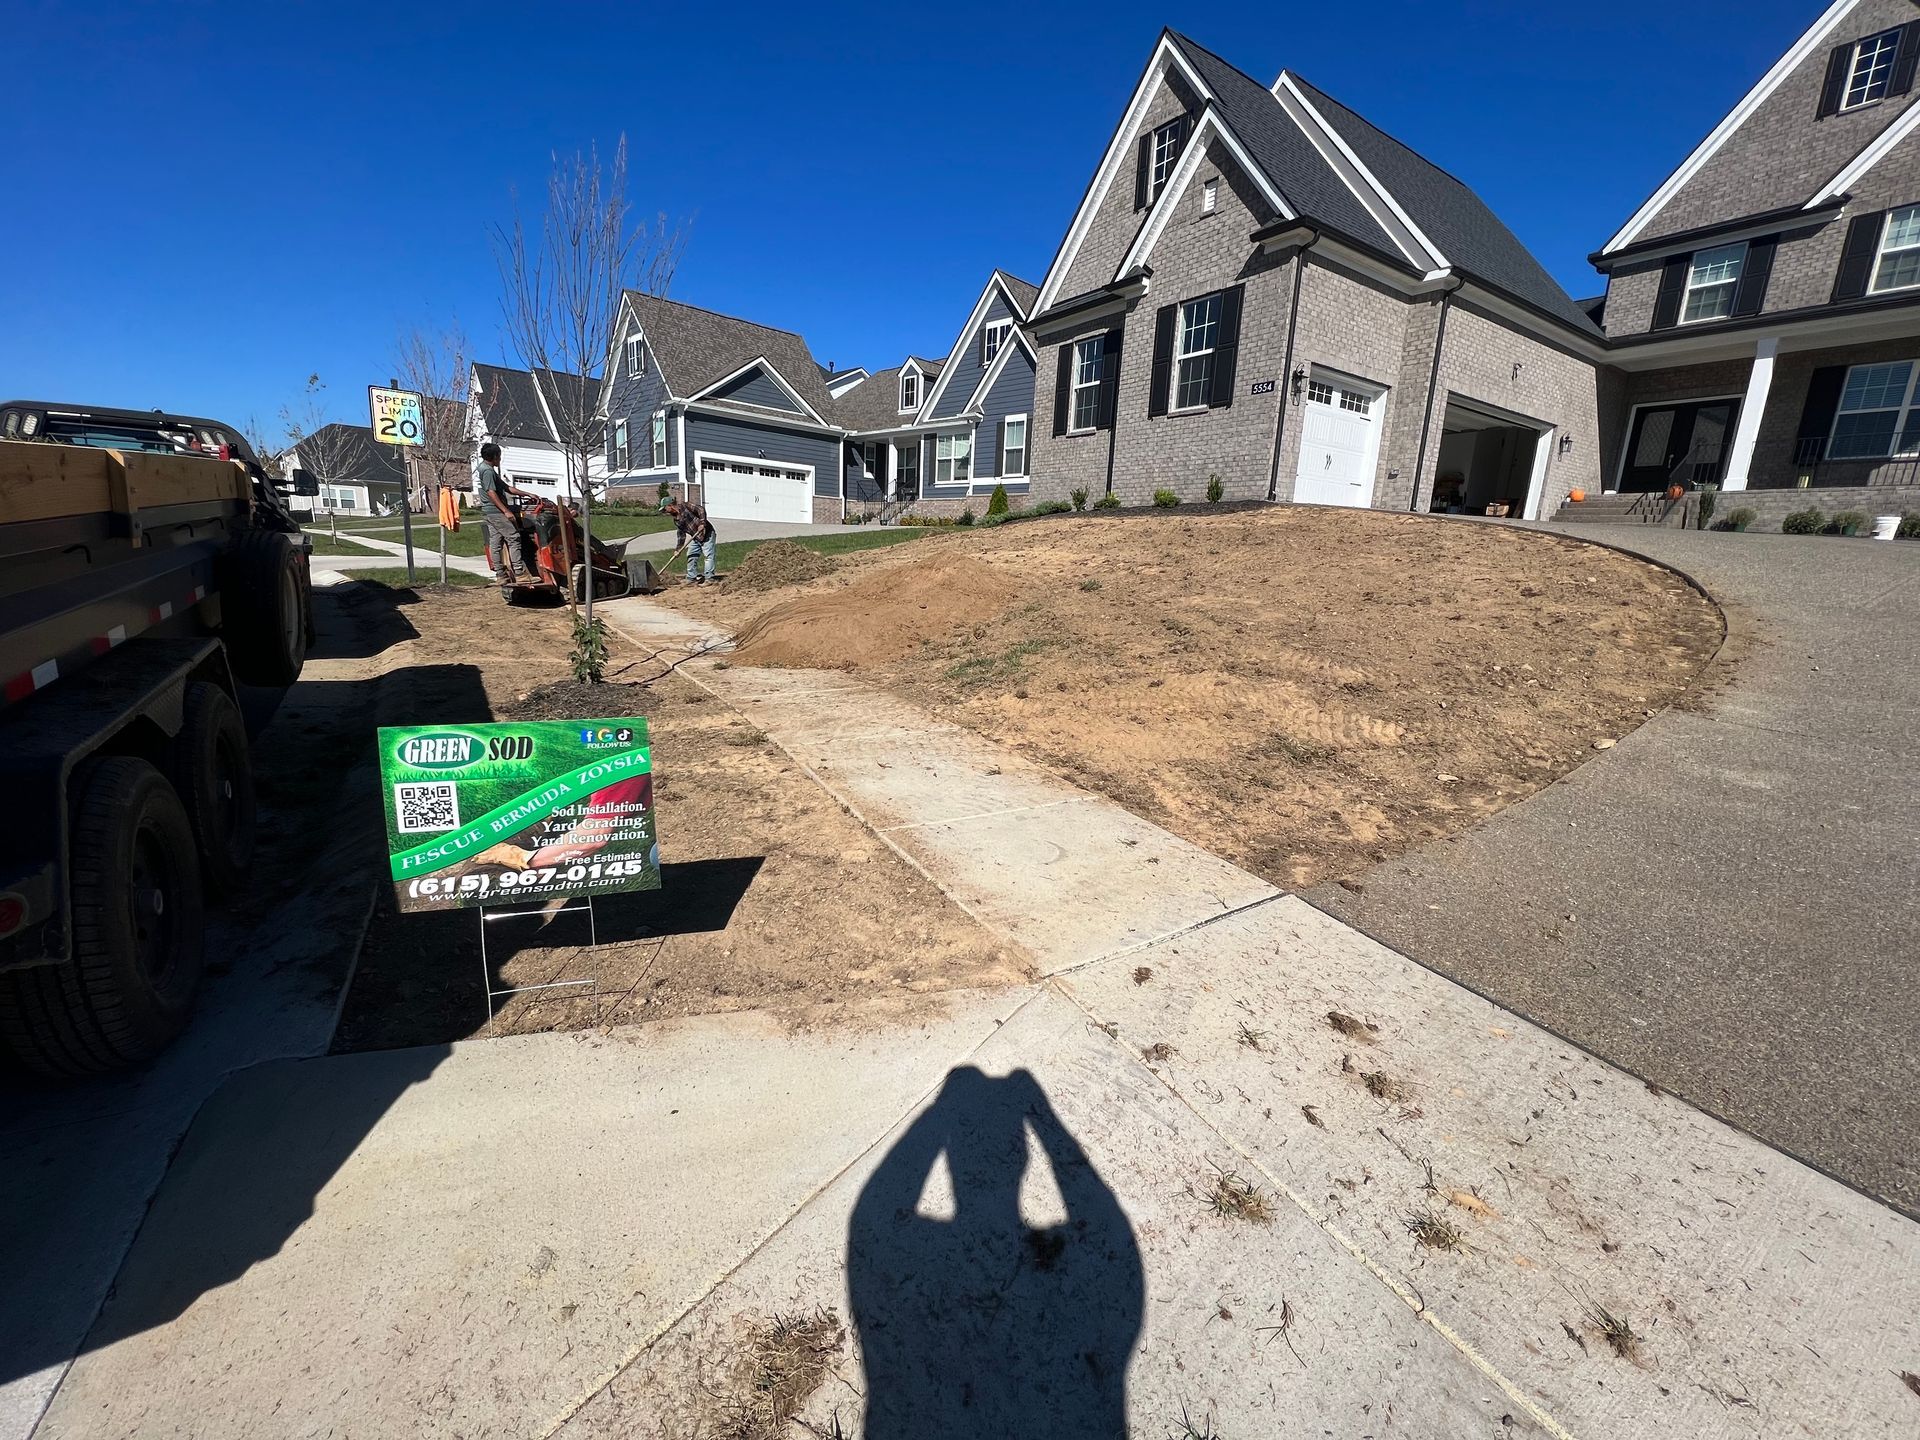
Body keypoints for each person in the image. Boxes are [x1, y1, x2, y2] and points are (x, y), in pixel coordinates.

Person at [476, 443, 537, 583]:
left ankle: (501, 575)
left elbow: (507, 488)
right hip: (496, 511)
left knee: (496, 542)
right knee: (514, 537)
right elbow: (491, 492)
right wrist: (506, 511)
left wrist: (527, 494)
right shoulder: (488, 471)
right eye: (499, 456)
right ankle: (520, 573)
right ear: (494, 456)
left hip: (489, 512)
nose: (500, 458)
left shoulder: (484, 468)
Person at [659, 494, 717, 585]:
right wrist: (678, 549)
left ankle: (709, 578)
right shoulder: (676, 520)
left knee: (708, 556)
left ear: (670, 506)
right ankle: (691, 578)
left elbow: (700, 509)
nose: (665, 512)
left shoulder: (686, 506)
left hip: (707, 533)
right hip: (696, 537)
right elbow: (681, 535)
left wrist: (702, 523)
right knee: (691, 555)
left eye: (665, 509)